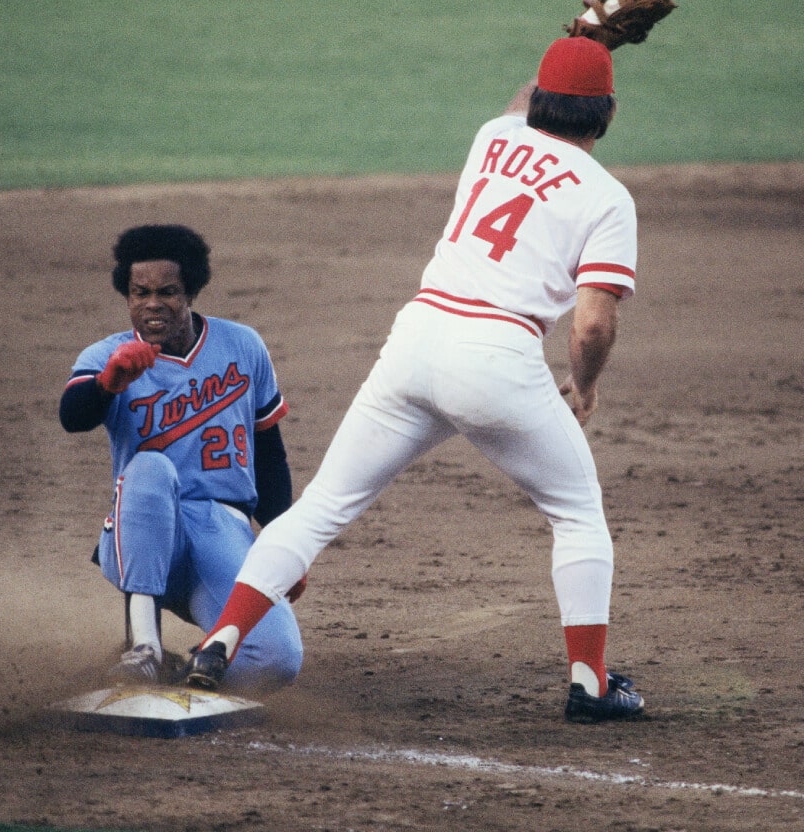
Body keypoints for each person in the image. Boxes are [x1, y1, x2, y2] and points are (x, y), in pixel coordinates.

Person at [184, 36, 645, 723]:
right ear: (608, 115)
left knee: (322, 506)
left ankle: (221, 637)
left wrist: (587, 31)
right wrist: (585, 388)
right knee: (577, 512)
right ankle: (591, 682)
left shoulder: (495, 137)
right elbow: (591, 327)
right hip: (496, 362)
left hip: (415, 344)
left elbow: (524, 106)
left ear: (539, 101)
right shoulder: (609, 199)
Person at [60, 224, 305, 690]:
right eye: (140, 293)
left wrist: (285, 546)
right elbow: (73, 416)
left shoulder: (242, 345)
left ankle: (184, 663)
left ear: (191, 292)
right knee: (151, 468)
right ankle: (143, 648)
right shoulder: (107, 355)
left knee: (276, 660)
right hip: (144, 530)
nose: (153, 304)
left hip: (222, 529)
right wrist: (106, 385)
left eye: (168, 292)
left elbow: (270, 454)